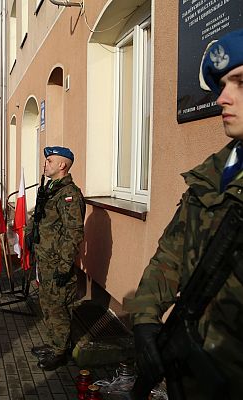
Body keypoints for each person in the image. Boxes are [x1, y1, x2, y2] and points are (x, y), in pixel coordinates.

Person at [124, 29, 243, 399]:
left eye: (239, 82)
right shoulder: (213, 173)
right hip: (192, 373)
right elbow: (172, 253)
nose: (222, 97)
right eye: (223, 84)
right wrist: (145, 318)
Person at [27, 146, 85, 371]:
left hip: (57, 262)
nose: (45, 163)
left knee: (59, 306)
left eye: (50, 160)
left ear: (62, 165)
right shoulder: (51, 189)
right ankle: (53, 344)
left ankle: (60, 351)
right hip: (45, 258)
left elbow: (74, 232)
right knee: (48, 304)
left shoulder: (69, 194)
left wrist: (64, 266)